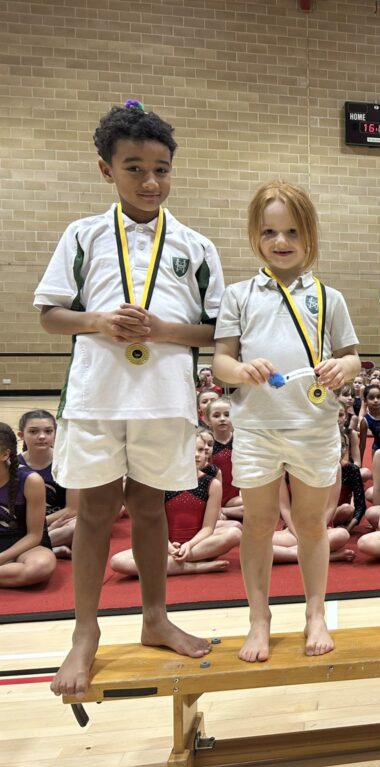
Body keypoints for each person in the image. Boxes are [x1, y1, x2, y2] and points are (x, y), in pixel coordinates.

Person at [36, 101, 226, 697]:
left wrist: (163, 331)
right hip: (96, 397)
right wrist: (97, 321)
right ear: (106, 169)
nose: (150, 182)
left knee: (150, 510)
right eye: (135, 168)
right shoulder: (83, 235)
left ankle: (154, 619)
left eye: (162, 169)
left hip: (165, 399)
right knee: (94, 513)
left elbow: (219, 332)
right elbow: (48, 317)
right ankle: (84, 633)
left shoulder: (196, 246)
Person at [213, 180, 360, 662]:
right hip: (256, 427)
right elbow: (221, 363)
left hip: (313, 427)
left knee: (311, 525)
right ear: (255, 235)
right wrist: (242, 371)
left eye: (292, 231)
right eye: (270, 231)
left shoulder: (329, 297)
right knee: (257, 526)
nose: (281, 242)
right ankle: (259, 618)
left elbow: (353, 358)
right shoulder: (237, 296)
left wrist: (343, 368)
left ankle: (315, 612)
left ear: (310, 235)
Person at [109, 431, 241, 576]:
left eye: (201, 450)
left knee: (234, 533)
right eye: (191, 450)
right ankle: (195, 567)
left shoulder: (212, 484)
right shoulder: (164, 483)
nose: (197, 455)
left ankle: (175, 562)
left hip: (199, 546)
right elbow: (155, 525)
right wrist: (169, 547)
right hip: (165, 545)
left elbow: (208, 528)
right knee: (117, 561)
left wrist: (189, 546)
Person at [0, 422, 57, 588]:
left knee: (40, 567)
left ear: (4, 455)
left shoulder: (30, 481)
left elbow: (34, 535)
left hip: (26, 545)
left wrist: (3, 557)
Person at [18, 409, 78, 558]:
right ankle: (48, 547)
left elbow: (73, 509)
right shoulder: (13, 465)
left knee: (80, 526)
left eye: (48, 431)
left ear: (55, 434)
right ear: (21, 435)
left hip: (58, 521)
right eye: (33, 432)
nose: (42, 436)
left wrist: (42, 523)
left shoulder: (67, 462)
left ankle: (28, 548)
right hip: (25, 525)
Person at [205, 397, 243, 520]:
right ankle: (218, 512)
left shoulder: (240, 440)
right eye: (216, 415)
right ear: (207, 420)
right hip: (214, 497)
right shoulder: (206, 445)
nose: (222, 419)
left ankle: (222, 512)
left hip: (236, 498)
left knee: (255, 505)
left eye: (227, 415)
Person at [324, 430, 366, 530]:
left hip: (338, 512)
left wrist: (348, 529)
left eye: (343, 446)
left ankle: (332, 527)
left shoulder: (351, 469)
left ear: (347, 448)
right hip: (316, 514)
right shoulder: (319, 467)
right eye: (335, 444)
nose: (339, 449)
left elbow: (360, 506)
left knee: (347, 509)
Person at [358, 382, 380, 460]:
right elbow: (362, 445)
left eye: (378, 397)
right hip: (377, 449)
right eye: (371, 398)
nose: (375, 400)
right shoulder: (365, 421)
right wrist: (359, 466)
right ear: (365, 401)